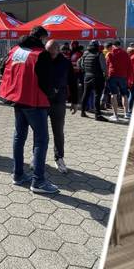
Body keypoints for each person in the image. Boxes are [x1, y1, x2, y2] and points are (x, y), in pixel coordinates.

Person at [0, 26, 58, 194]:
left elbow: (3, 68)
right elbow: (45, 81)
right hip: (35, 102)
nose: (46, 42)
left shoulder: (15, 50)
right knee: (41, 140)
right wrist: (53, 94)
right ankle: (38, 181)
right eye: (45, 39)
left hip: (18, 100)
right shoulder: (41, 54)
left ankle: (18, 175)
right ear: (40, 38)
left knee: (19, 137)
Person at [45, 41, 78, 174]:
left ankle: (59, 158)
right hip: (42, 101)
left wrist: (75, 101)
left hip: (59, 102)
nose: (51, 55)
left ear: (58, 50)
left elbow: (73, 82)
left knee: (58, 131)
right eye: (48, 52)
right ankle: (37, 157)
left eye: (53, 52)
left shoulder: (65, 62)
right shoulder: (42, 61)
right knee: (40, 132)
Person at [79, 40, 108, 121]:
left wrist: (85, 71)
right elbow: (104, 68)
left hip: (87, 76)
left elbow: (81, 64)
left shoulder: (85, 53)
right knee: (97, 96)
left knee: (85, 94)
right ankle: (97, 115)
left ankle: (82, 112)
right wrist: (106, 76)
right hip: (97, 78)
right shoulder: (99, 54)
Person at [105, 40, 132, 121]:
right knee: (124, 95)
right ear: (120, 45)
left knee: (114, 95)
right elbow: (129, 66)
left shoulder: (110, 54)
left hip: (112, 76)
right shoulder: (125, 54)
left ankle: (115, 115)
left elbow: (107, 65)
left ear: (114, 45)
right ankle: (126, 113)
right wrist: (128, 77)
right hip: (123, 77)